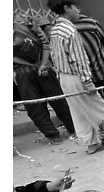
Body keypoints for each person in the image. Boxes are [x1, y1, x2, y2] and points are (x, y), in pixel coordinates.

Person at [47, 0, 104, 155]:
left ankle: (91, 143)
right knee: (99, 108)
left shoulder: (54, 29)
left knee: (78, 112)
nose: (78, 11)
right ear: (67, 8)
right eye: (76, 7)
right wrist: (87, 81)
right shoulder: (70, 30)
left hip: (64, 78)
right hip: (77, 77)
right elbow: (78, 59)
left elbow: (54, 57)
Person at [13, 13, 76, 144]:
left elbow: (45, 43)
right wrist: (42, 64)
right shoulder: (25, 22)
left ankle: (60, 134)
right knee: (52, 101)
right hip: (37, 68)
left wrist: (41, 64)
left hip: (27, 71)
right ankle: (63, 132)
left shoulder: (23, 22)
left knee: (47, 103)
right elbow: (45, 43)